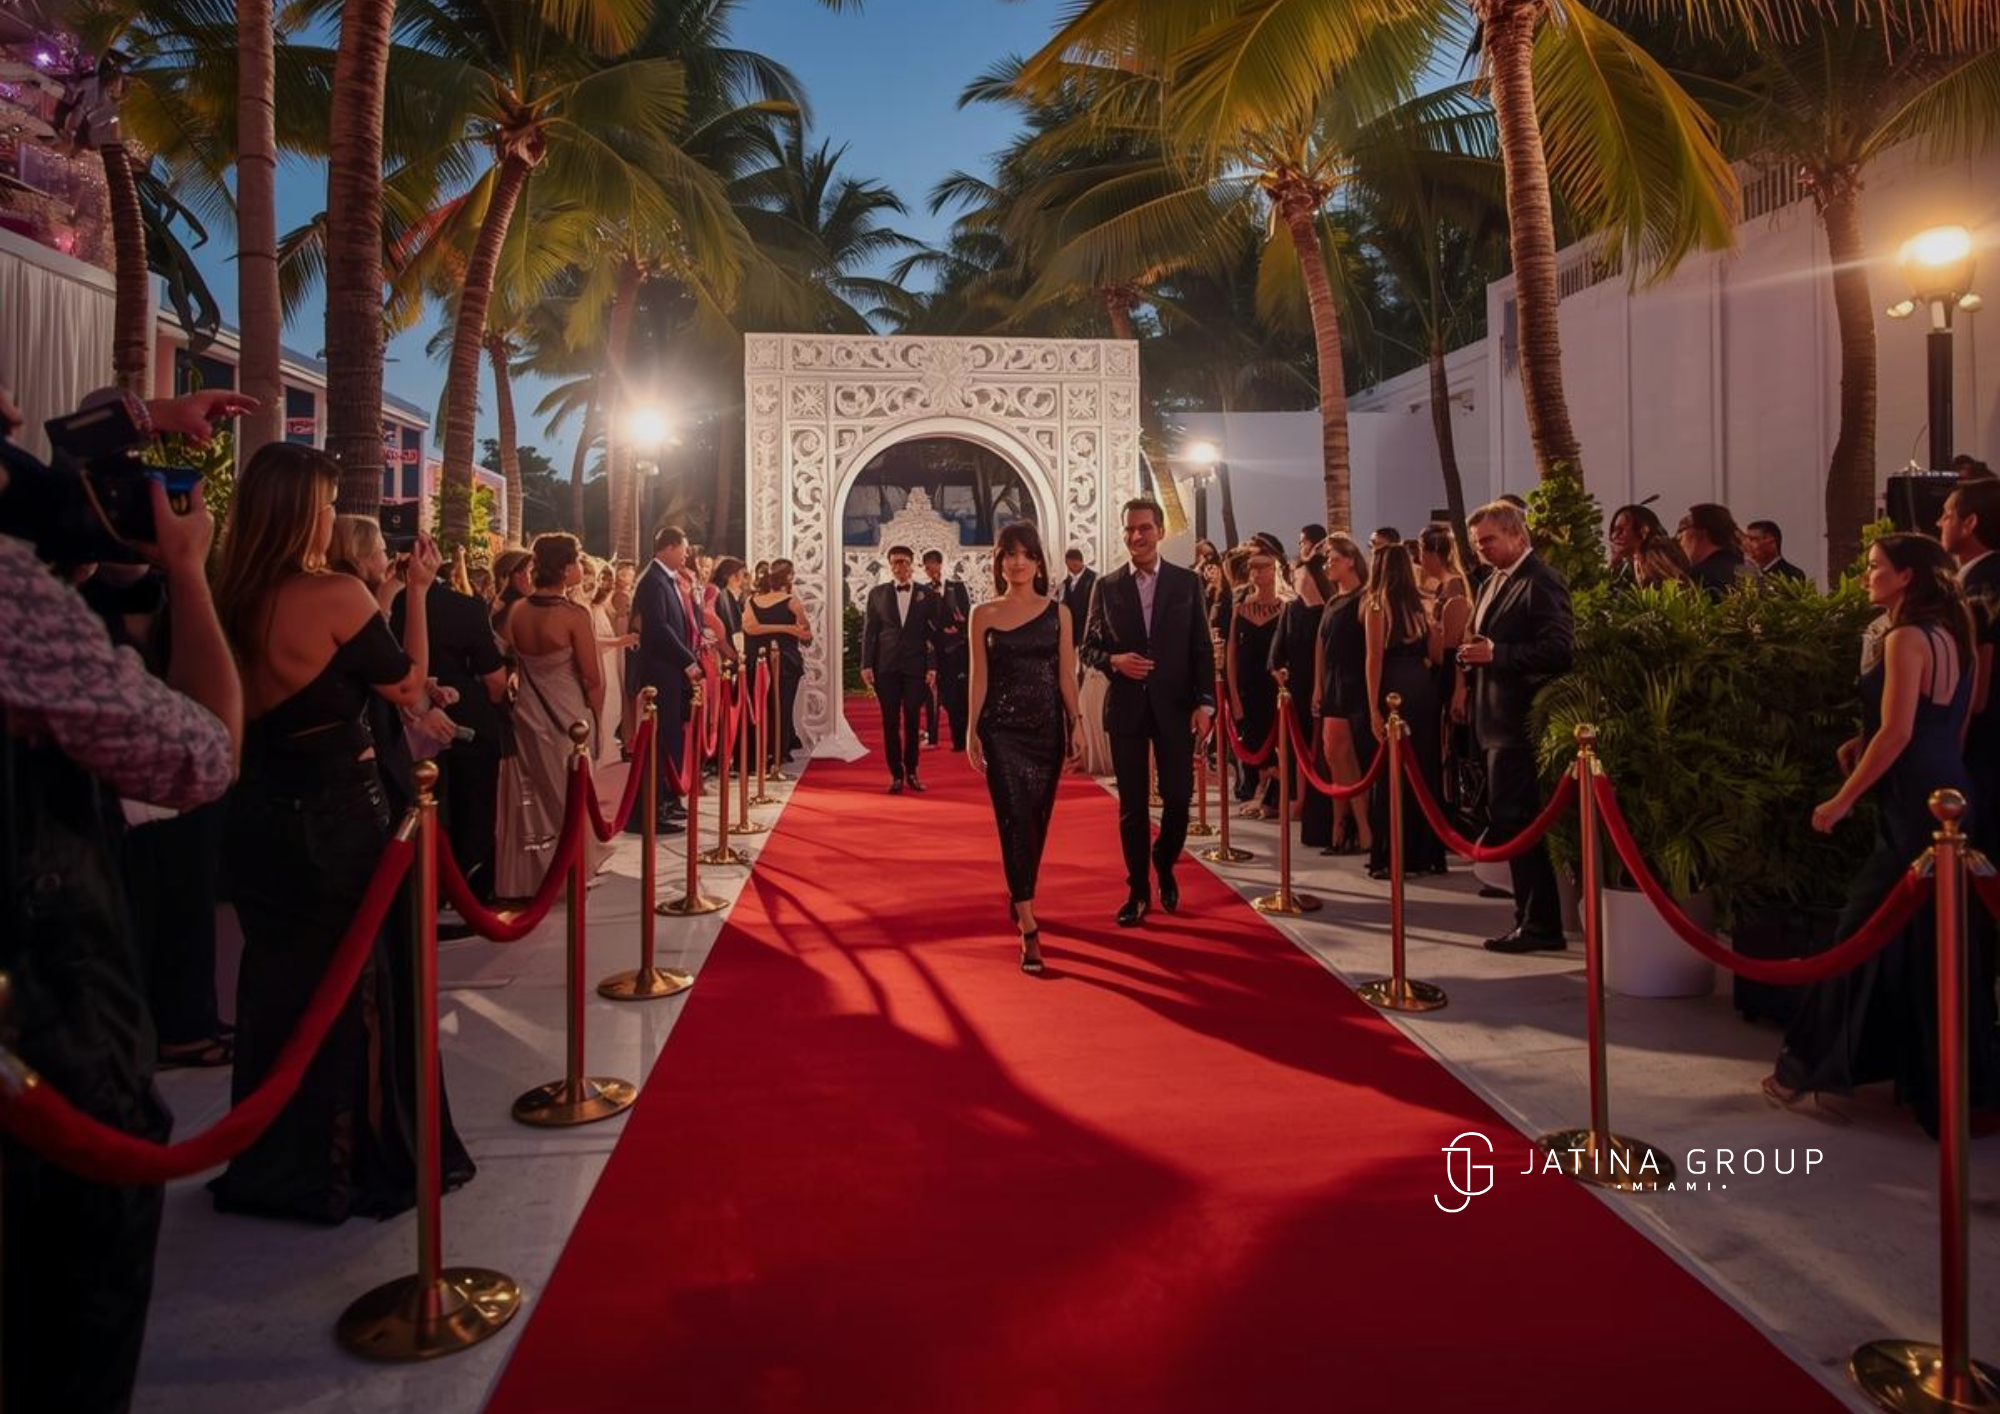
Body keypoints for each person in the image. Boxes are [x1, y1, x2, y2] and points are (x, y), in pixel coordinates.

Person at [1, 384, 245, 1414]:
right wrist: (186, 569)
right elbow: (201, 755)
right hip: (43, 1011)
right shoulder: (15, 601)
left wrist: (141, 420)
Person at [210, 443, 475, 1223]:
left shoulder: (227, 593)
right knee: (361, 986)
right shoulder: (328, 592)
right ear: (304, 514)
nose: (332, 519)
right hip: (337, 820)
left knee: (278, 990)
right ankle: (353, 1160)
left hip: (257, 819)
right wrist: (415, 595)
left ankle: (279, 1157)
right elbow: (408, 685)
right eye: (326, 506)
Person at [1770, 535, 1998, 1134]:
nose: (1866, 575)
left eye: (1875, 567)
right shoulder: (1956, 633)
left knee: (1858, 931)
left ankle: (1800, 1070)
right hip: (1953, 791)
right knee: (1936, 945)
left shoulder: (1904, 638)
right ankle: (1948, 1087)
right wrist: (1864, 741)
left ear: (1907, 577)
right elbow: (1948, 724)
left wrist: (1841, 800)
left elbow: (1898, 733)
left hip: (1913, 805)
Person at [1080, 498, 1216, 927]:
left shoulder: (1186, 583)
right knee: (1132, 806)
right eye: (1129, 529)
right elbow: (1088, 647)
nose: (1136, 536)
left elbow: (1200, 646)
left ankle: (1165, 859)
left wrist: (1205, 702)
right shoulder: (1107, 586)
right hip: (1126, 707)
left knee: (1178, 798)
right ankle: (1138, 889)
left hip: (1176, 707)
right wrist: (1114, 661)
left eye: (1144, 528)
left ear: (1160, 531)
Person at [967, 522, 1085, 973]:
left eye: (1025, 554)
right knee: (1014, 819)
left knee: (1036, 822)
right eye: (1009, 555)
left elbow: (1065, 674)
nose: (1017, 562)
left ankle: (1019, 891)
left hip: (1046, 731)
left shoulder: (1060, 614)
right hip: (1001, 732)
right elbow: (979, 677)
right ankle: (1029, 925)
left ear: (1038, 562)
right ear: (999, 562)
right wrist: (972, 730)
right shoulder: (983, 613)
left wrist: (1076, 723)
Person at [1458, 500, 1575, 952]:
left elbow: (1560, 650)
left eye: (1488, 540)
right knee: (1508, 821)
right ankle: (1529, 918)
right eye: (1477, 543)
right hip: (1494, 720)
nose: (1481, 549)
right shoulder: (1494, 581)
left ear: (1517, 535)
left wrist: (1498, 655)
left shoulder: (1540, 580)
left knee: (1520, 823)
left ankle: (1540, 925)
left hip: (1519, 723)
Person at [496, 534, 613, 895]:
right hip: (568, 712)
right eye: (576, 561)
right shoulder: (573, 615)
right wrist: (597, 717)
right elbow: (592, 677)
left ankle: (538, 872)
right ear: (564, 569)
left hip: (528, 710)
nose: (580, 567)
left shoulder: (516, 611)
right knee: (570, 791)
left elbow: (505, 657)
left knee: (538, 794)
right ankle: (573, 868)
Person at [1363, 544, 1446, 878]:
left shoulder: (1377, 604)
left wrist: (1372, 708)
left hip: (1393, 688)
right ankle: (1425, 853)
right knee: (1423, 768)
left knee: (1391, 772)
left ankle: (1391, 854)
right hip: (1422, 687)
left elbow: (1374, 658)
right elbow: (1436, 656)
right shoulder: (1423, 603)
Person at [629, 525, 701, 835]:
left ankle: (667, 799)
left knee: (670, 738)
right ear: (668, 547)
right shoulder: (653, 580)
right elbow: (658, 628)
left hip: (670, 672)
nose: (686, 555)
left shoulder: (665, 578)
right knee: (658, 741)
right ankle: (649, 810)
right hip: (660, 672)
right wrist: (688, 660)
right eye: (683, 548)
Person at [860, 544, 938, 793]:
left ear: (912, 564)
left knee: (913, 719)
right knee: (890, 722)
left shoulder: (927, 594)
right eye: (895, 562)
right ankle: (896, 774)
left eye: (904, 561)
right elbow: (870, 632)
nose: (899, 566)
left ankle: (912, 771)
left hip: (916, 666)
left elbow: (932, 634)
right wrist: (866, 664)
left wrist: (932, 666)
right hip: (886, 666)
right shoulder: (877, 594)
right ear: (890, 565)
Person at [1313, 535, 1373, 855]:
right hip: (1333, 683)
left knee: (1346, 757)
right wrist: (1318, 685)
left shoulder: (1366, 597)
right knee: (1334, 756)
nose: (1328, 565)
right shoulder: (1333, 601)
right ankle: (1341, 826)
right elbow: (1321, 646)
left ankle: (1362, 828)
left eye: (1333, 559)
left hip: (1356, 682)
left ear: (1351, 560)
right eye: (1326, 560)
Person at [1270, 547, 1332, 847]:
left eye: (1301, 576)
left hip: (1326, 688)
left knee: (1322, 751)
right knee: (1297, 749)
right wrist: (1279, 672)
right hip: (1296, 689)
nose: (1296, 580)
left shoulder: (1331, 608)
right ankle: (1298, 800)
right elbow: (1276, 654)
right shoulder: (1291, 610)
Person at [1227, 547, 1285, 817]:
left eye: (1263, 566)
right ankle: (1257, 792)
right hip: (1247, 686)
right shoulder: (1240, 608)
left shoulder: (1285, 607)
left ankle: (1271, 796)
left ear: (1275, 569)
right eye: (1253, 567)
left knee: (1276, 743)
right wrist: (1233, 694)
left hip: (1274, 687)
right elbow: (1231, 654)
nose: (1257, 572)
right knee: (1251, 740)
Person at [744, 558, 811, 767]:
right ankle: (777, 752)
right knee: (781, 707)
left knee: (762, 706)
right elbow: (805, 633)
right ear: (789, 577)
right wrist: (788, 628)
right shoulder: (792, 602)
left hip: (760, 661)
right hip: (783, 662)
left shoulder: (752, 601)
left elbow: (752, 628)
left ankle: (763, 750)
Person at [922, 548, 971, 750]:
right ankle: (933, 737)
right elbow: (923, 619)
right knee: (938, 696)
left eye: (933, 565)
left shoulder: (957, 587)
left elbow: (967, 613)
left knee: (958, 696)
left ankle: (961, 740)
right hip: (935, 651)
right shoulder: (924, 591)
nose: (930, 570)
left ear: (940, 564)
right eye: (927, 568)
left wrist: (958, 629)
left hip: (957, 649)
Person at [1677, 503, 1752, 600]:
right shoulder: (1750, 570)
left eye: (1681, 531)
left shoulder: (1700, 577)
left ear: (1700, 533)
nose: (1680, 541)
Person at [1744, 519, 1809, 582]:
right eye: (1746, 540)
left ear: (1771, 542)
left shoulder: (1792, 575)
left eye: (1753, 539)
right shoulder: (1748, 573)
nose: (1747, 545)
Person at [1054, 547, 1097, 620]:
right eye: (1068, 566)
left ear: (1080, 562)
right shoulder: (1065, 583)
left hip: (1087, 621)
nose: (1070, 568)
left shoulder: (1094, 579)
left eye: (1074, 565)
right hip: (1069, 621)